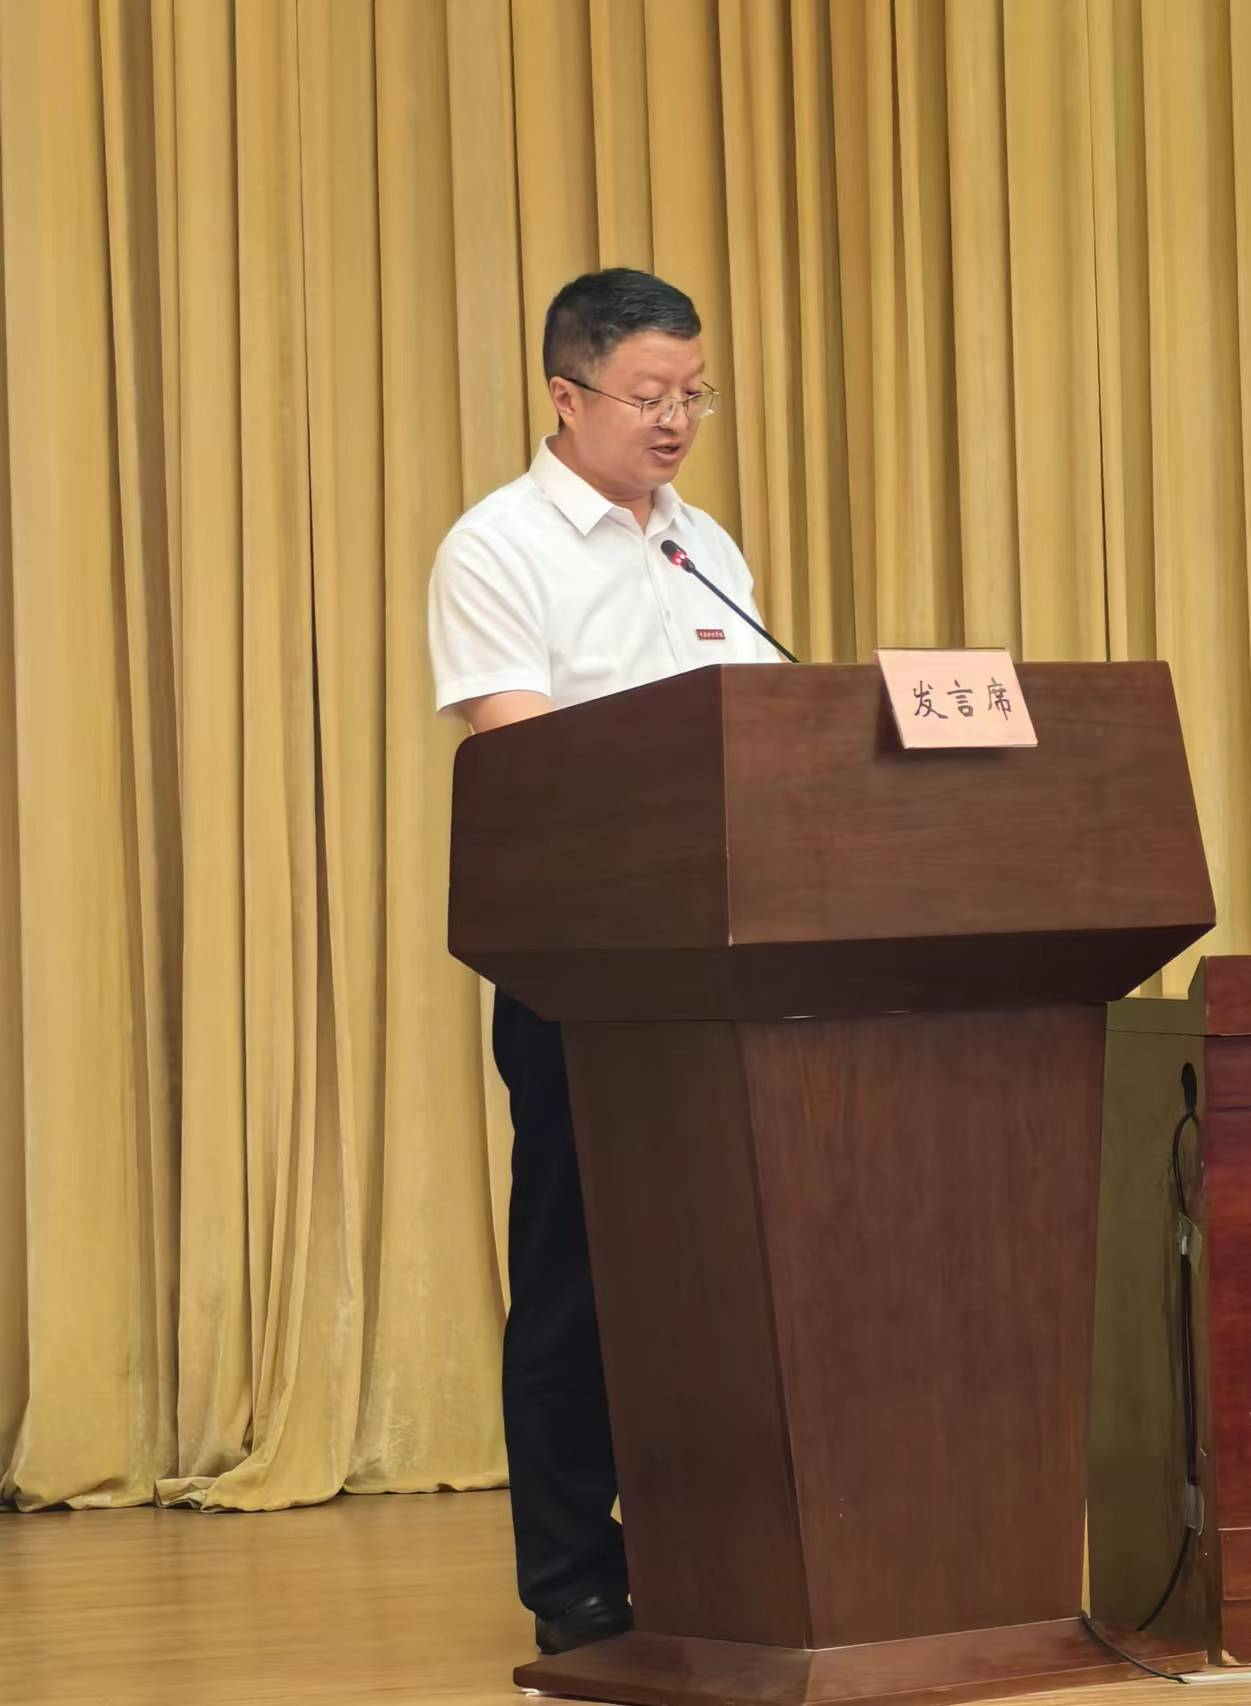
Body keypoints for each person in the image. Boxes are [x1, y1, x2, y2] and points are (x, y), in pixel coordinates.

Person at [427, 268, 777, 1655]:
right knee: (579, 1282)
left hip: (728, 973)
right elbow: (528, 765)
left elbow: (767, 746)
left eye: (694, 392)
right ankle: (573, 1578)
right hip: (584, 975)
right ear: (565, 396)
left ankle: (718, 1553)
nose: (677, 418)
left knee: (721, 1279)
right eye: (648, 396)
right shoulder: (496, 548)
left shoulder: (705, 546)